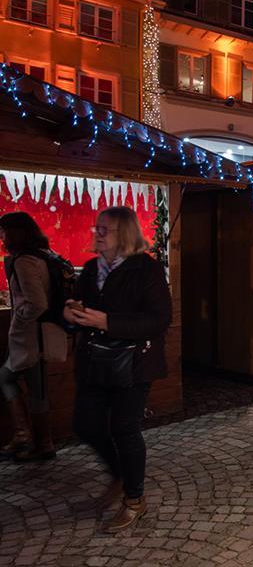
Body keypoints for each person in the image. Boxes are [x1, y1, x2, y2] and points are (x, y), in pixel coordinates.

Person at [65, 207, 172, 533]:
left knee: (125, 429)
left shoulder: (146, 269)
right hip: (96, 361)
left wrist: (108, 322)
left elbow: (159, 319)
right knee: (85, 424)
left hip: (134, 362)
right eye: (96, 228)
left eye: (104, 229)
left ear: (124, 233)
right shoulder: (93, 267)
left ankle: (134, 499)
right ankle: (119, 475)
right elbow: (80, 306)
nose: (96, 234)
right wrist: (70, 314)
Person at [0, 212, 61, 462]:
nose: (1, 235)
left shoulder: (24, 261)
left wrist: (20, 315)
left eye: (4, 230)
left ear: (15, 232)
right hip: (39, 334)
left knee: (27, 386)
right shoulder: (44, 256)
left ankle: (39, 442)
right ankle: (28, 437)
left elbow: (37, 303)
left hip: (32, 336)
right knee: (20, 382)